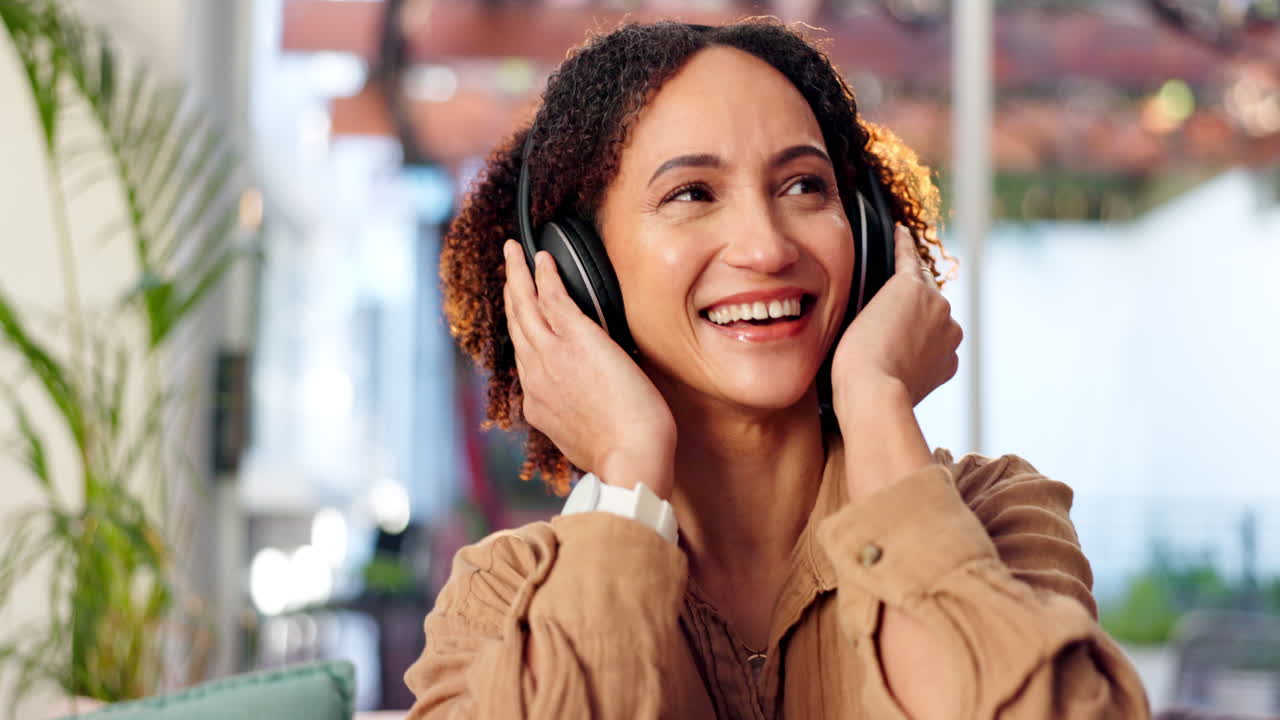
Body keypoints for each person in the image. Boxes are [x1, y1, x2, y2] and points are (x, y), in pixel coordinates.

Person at [404, 19, 1150, 720]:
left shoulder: (999, 517)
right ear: (576, 272)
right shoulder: (503, 598)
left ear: (865, 235)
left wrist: (877, 401)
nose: (766, 248)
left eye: (804, 186)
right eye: (691, 193)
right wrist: (630, 470)